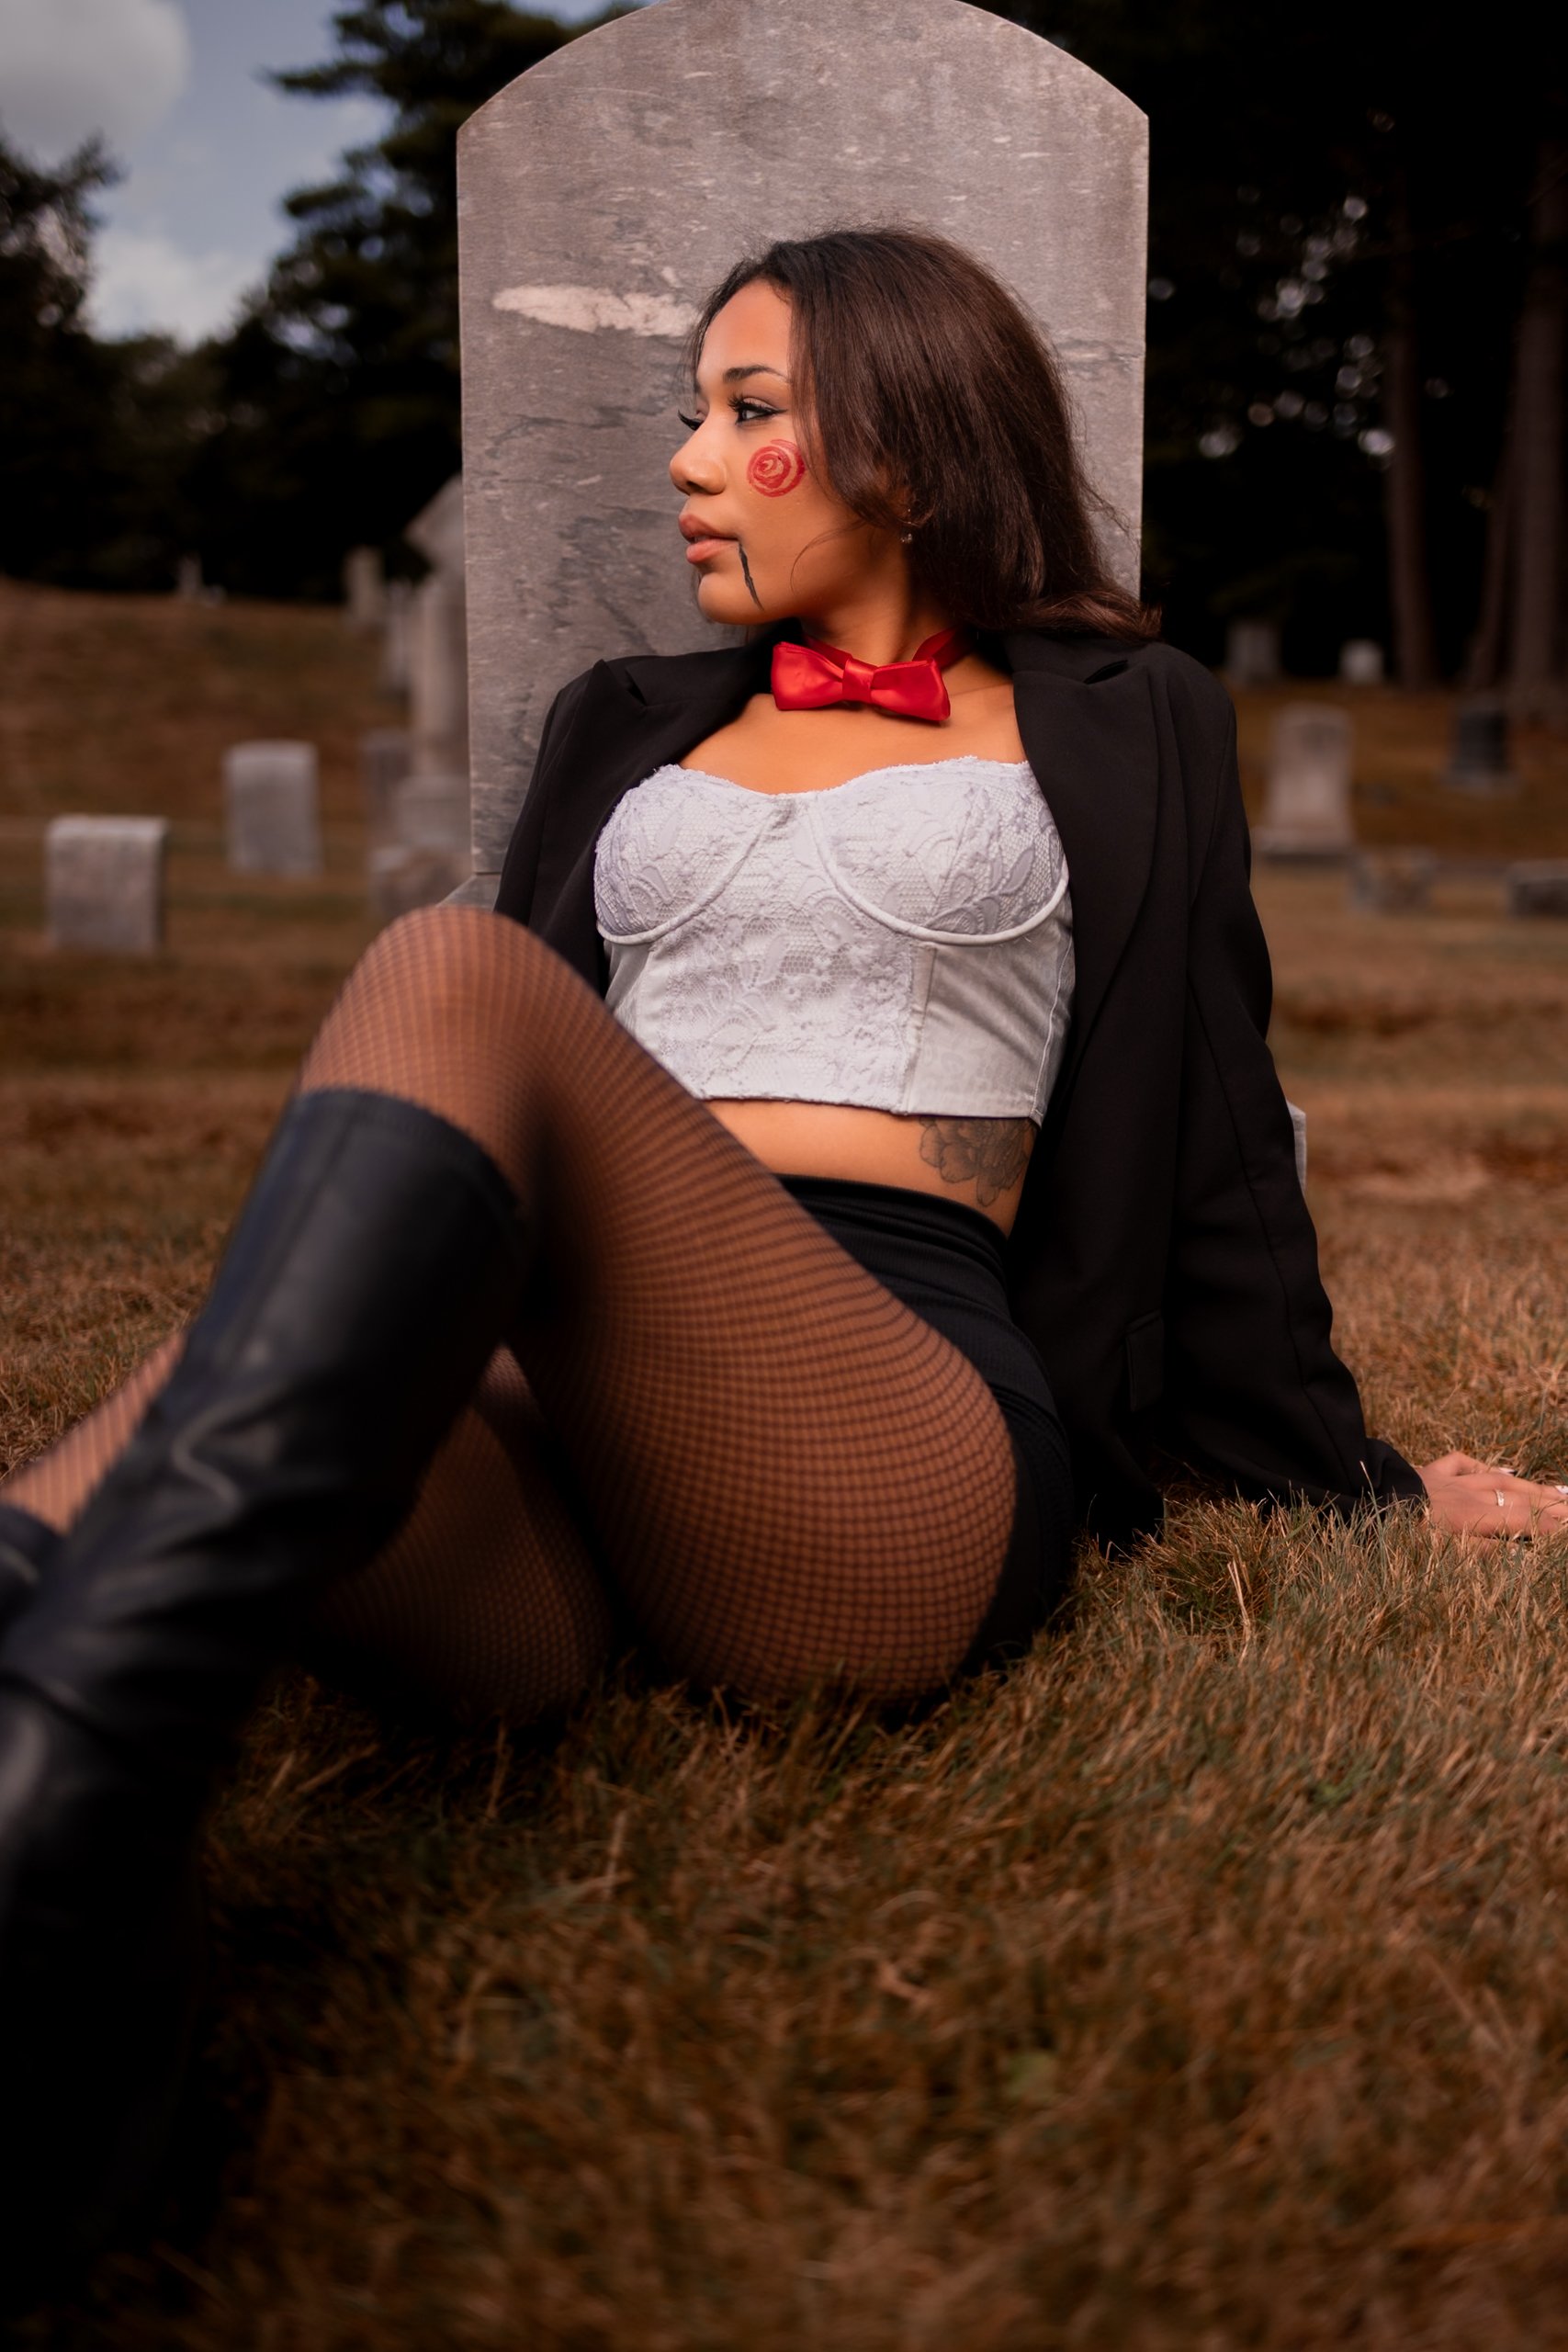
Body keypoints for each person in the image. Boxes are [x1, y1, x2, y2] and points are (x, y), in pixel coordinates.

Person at [0, 226, 1561, 2297]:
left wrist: (1354, 1482)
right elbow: (460, 1155)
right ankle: (45, 1859)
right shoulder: (624, 717)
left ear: (906, 448)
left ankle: (59, 1845)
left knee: (449, 972)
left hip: (878, 1437)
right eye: (686, 412)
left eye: (748, 414)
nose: (687, 459)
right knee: (228, 1389)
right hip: (560, 1444)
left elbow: (1207, 1160)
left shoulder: (1123, 717)